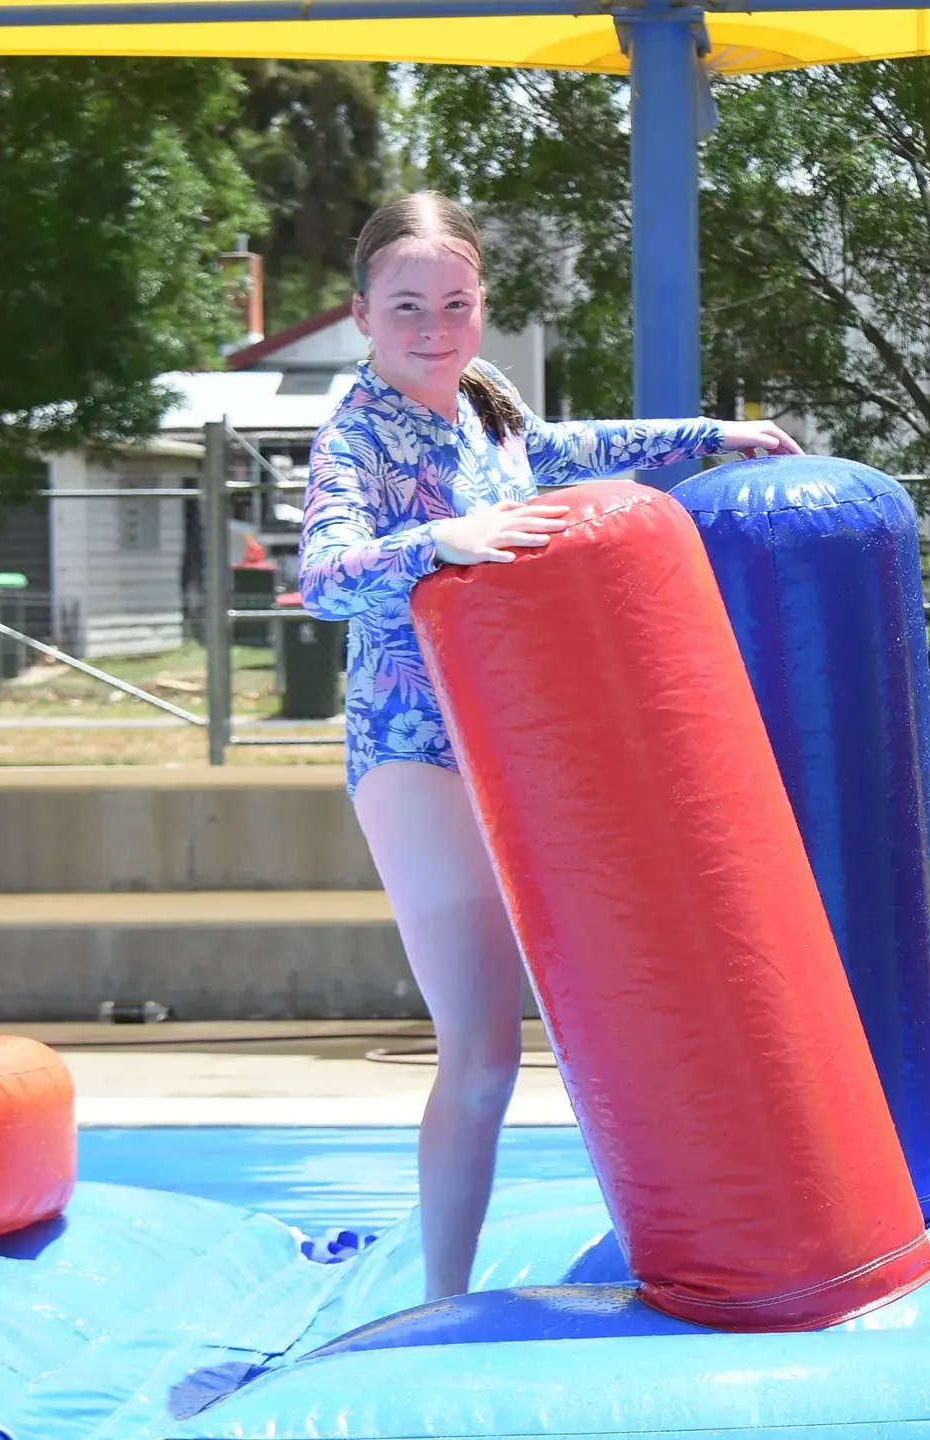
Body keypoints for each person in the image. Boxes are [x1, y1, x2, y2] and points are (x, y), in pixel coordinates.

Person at [299, 191, 801, 1301]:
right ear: (362, 316)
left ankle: (685, 1236)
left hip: (517, 747)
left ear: (482, 308)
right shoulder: (357, 438)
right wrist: (445, 539)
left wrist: (705, 435)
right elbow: (323, 576)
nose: (434, 326)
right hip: (418, 757)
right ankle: (439, 1301)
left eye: (457, 303)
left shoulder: (483, 398)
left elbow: (558, 451)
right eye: (407, 307)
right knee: (480, 1052)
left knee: (617, 1023)